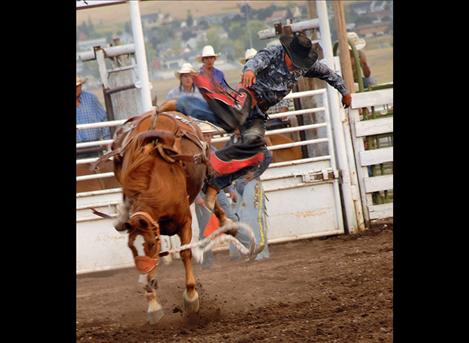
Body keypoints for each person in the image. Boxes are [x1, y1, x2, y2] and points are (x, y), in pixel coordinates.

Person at [157, 32, 351, 210]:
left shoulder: (305, 66)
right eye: (294, 62)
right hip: (248, 96)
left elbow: (328, 73)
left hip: (259, 111)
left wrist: (344, 91)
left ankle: (214, 186)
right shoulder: (274, 53)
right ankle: (180, 104)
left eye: (299, 64)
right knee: (232, 118)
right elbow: (257, 60)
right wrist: (250, 70)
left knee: (258, 155)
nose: (295, 67)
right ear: (288, 54)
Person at [76, 75, 111, 157]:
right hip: (77, 146)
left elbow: (103, 118)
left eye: (78, 86)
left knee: (96, 167)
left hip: (94, 144)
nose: (77, 88)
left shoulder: (91, 98)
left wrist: (106, 139)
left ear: (81, 86)